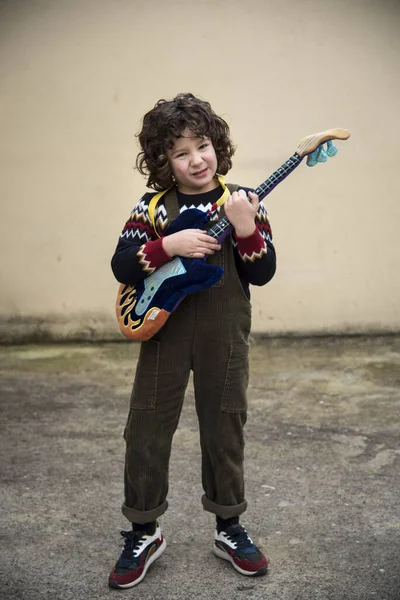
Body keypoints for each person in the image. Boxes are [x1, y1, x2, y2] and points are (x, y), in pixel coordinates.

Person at [109, 93, 276, 589]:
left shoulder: (243, 199)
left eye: (202, 145)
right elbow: (121, 264)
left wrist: (246, 230)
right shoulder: (153, 207)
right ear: (164, 161)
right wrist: (166, 245)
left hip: (225, 333)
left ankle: (229, 524)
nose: (196, 159)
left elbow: (263, 272)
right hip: (165, 330)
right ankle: (143, 528)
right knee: (146, 426)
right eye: (181, 152)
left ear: (217, 146)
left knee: (225, 424)